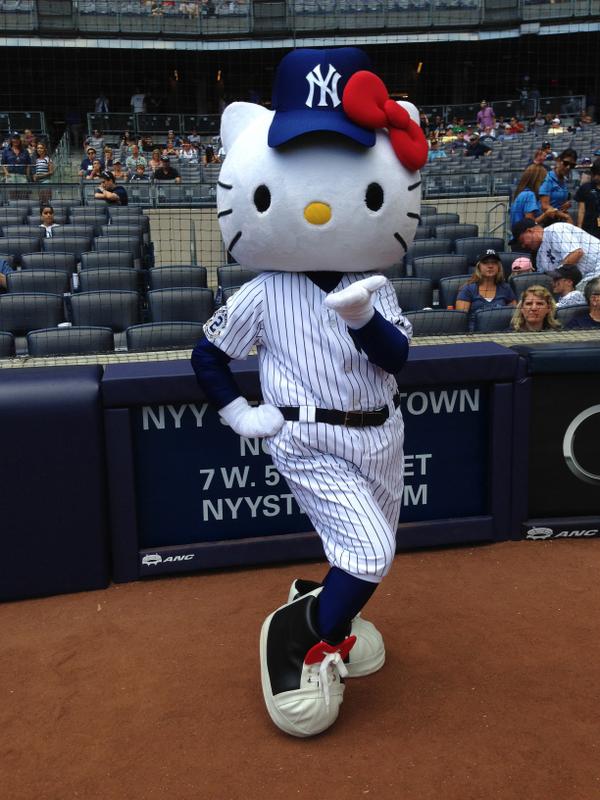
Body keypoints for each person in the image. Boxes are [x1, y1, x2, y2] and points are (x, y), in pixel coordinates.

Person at [510, 218, 600, 289]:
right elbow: (546, 279)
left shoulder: (555, 230)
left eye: (522, 241)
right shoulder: (539, 258)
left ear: (529, 231)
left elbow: (577, 253)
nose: (523, 246)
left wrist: (557, 274)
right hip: (588, 280)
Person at [455, 249, 517, 330]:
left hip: (502, 333)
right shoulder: (468, 289)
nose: (490, 266)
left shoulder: (506, 288)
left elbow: (515, 316)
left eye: (494, 262)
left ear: (499, 267)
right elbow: (461, 320)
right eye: (485, 262)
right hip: (474, 334)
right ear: (478, 267)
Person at [538, 149, 577, 217]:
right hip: (544, 222)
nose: (568, 167)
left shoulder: (563, 180)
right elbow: (544, 206)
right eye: (566, 163)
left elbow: (557, 203)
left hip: (556, 219)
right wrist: (564, 216)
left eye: (572, 165)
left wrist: (566, 204)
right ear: (558, 160)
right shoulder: (548, 179)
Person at [574, 159, 600, 238]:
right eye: (594, 173)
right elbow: (581, 211)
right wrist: (579, 228)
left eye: (598, 174)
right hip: (589, 229)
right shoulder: (585, 188)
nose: (595, 177)